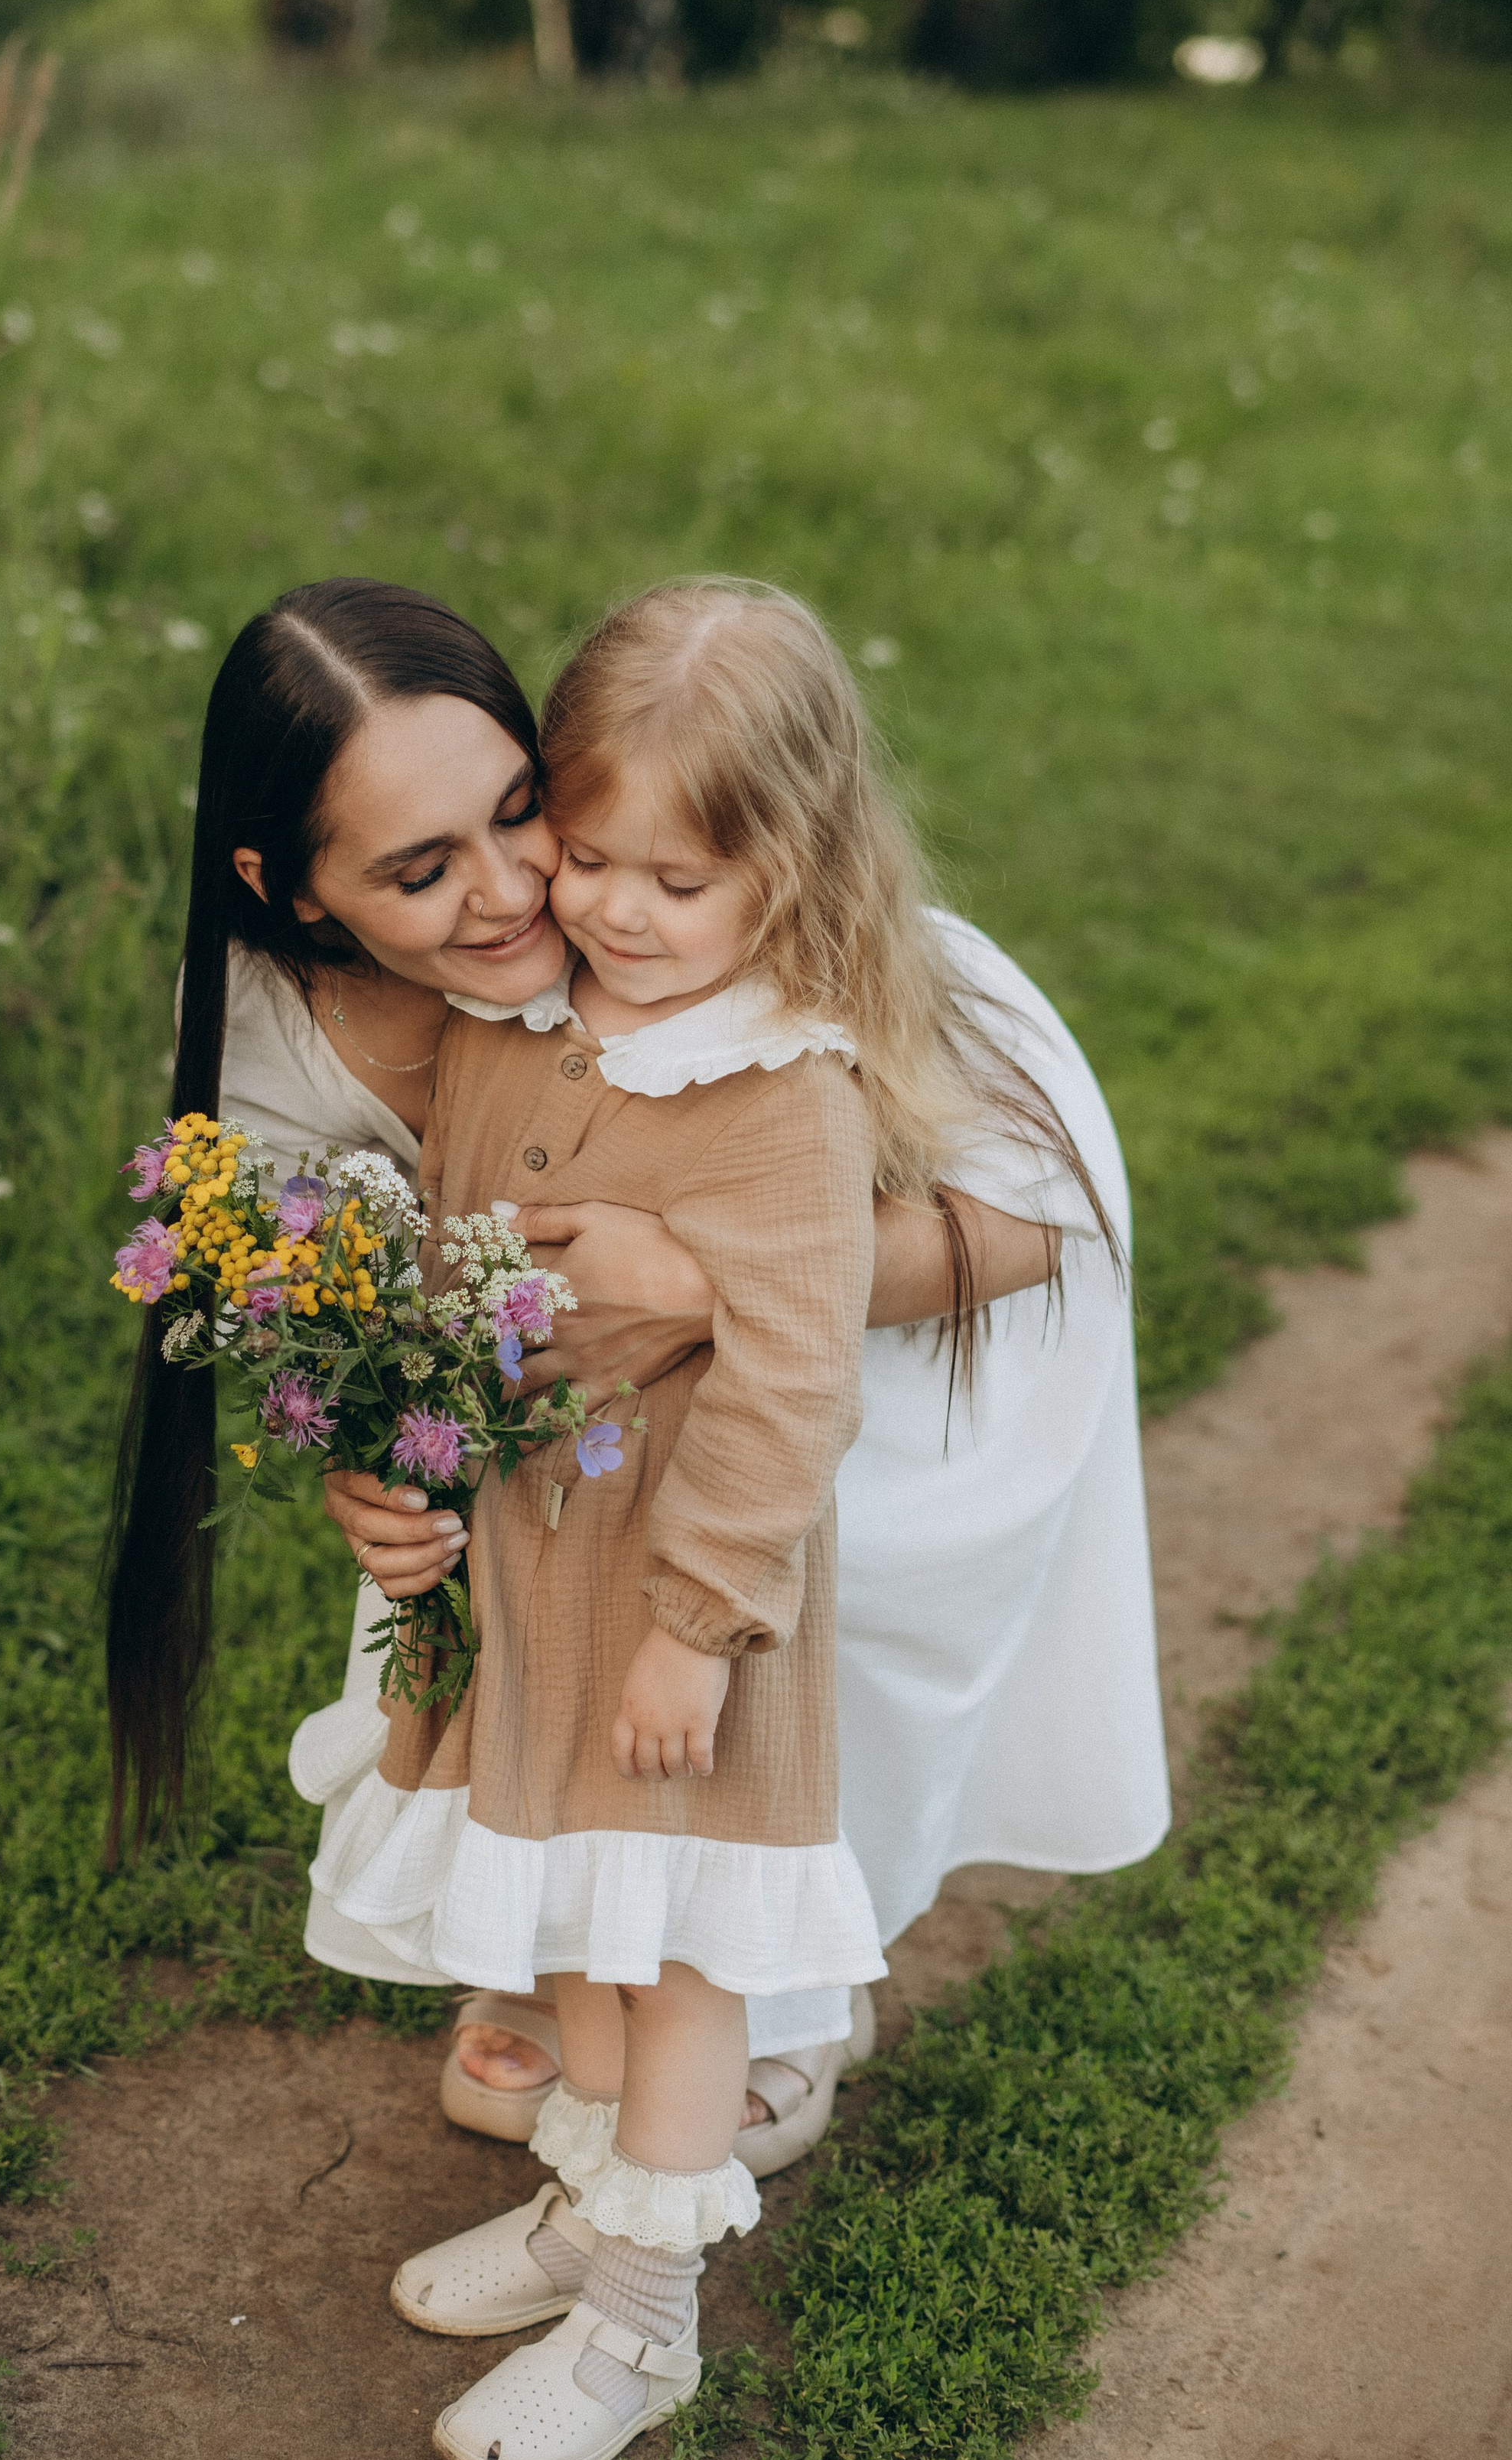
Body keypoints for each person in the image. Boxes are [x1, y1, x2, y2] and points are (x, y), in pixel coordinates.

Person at [105, 578, 1167, 2167]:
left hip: (867, 1370)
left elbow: (1042, 1219)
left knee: (759, 1607)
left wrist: (697, 1284)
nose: (517, 889)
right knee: (523, 1575)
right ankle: (554, 1938)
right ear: (291, 886)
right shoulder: (261, 1040)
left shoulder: (733, 940)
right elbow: (334, 1309)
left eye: (521, 809)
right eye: (417, 867)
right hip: (558, 1419)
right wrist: (370, 1464)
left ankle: (786, 1986)